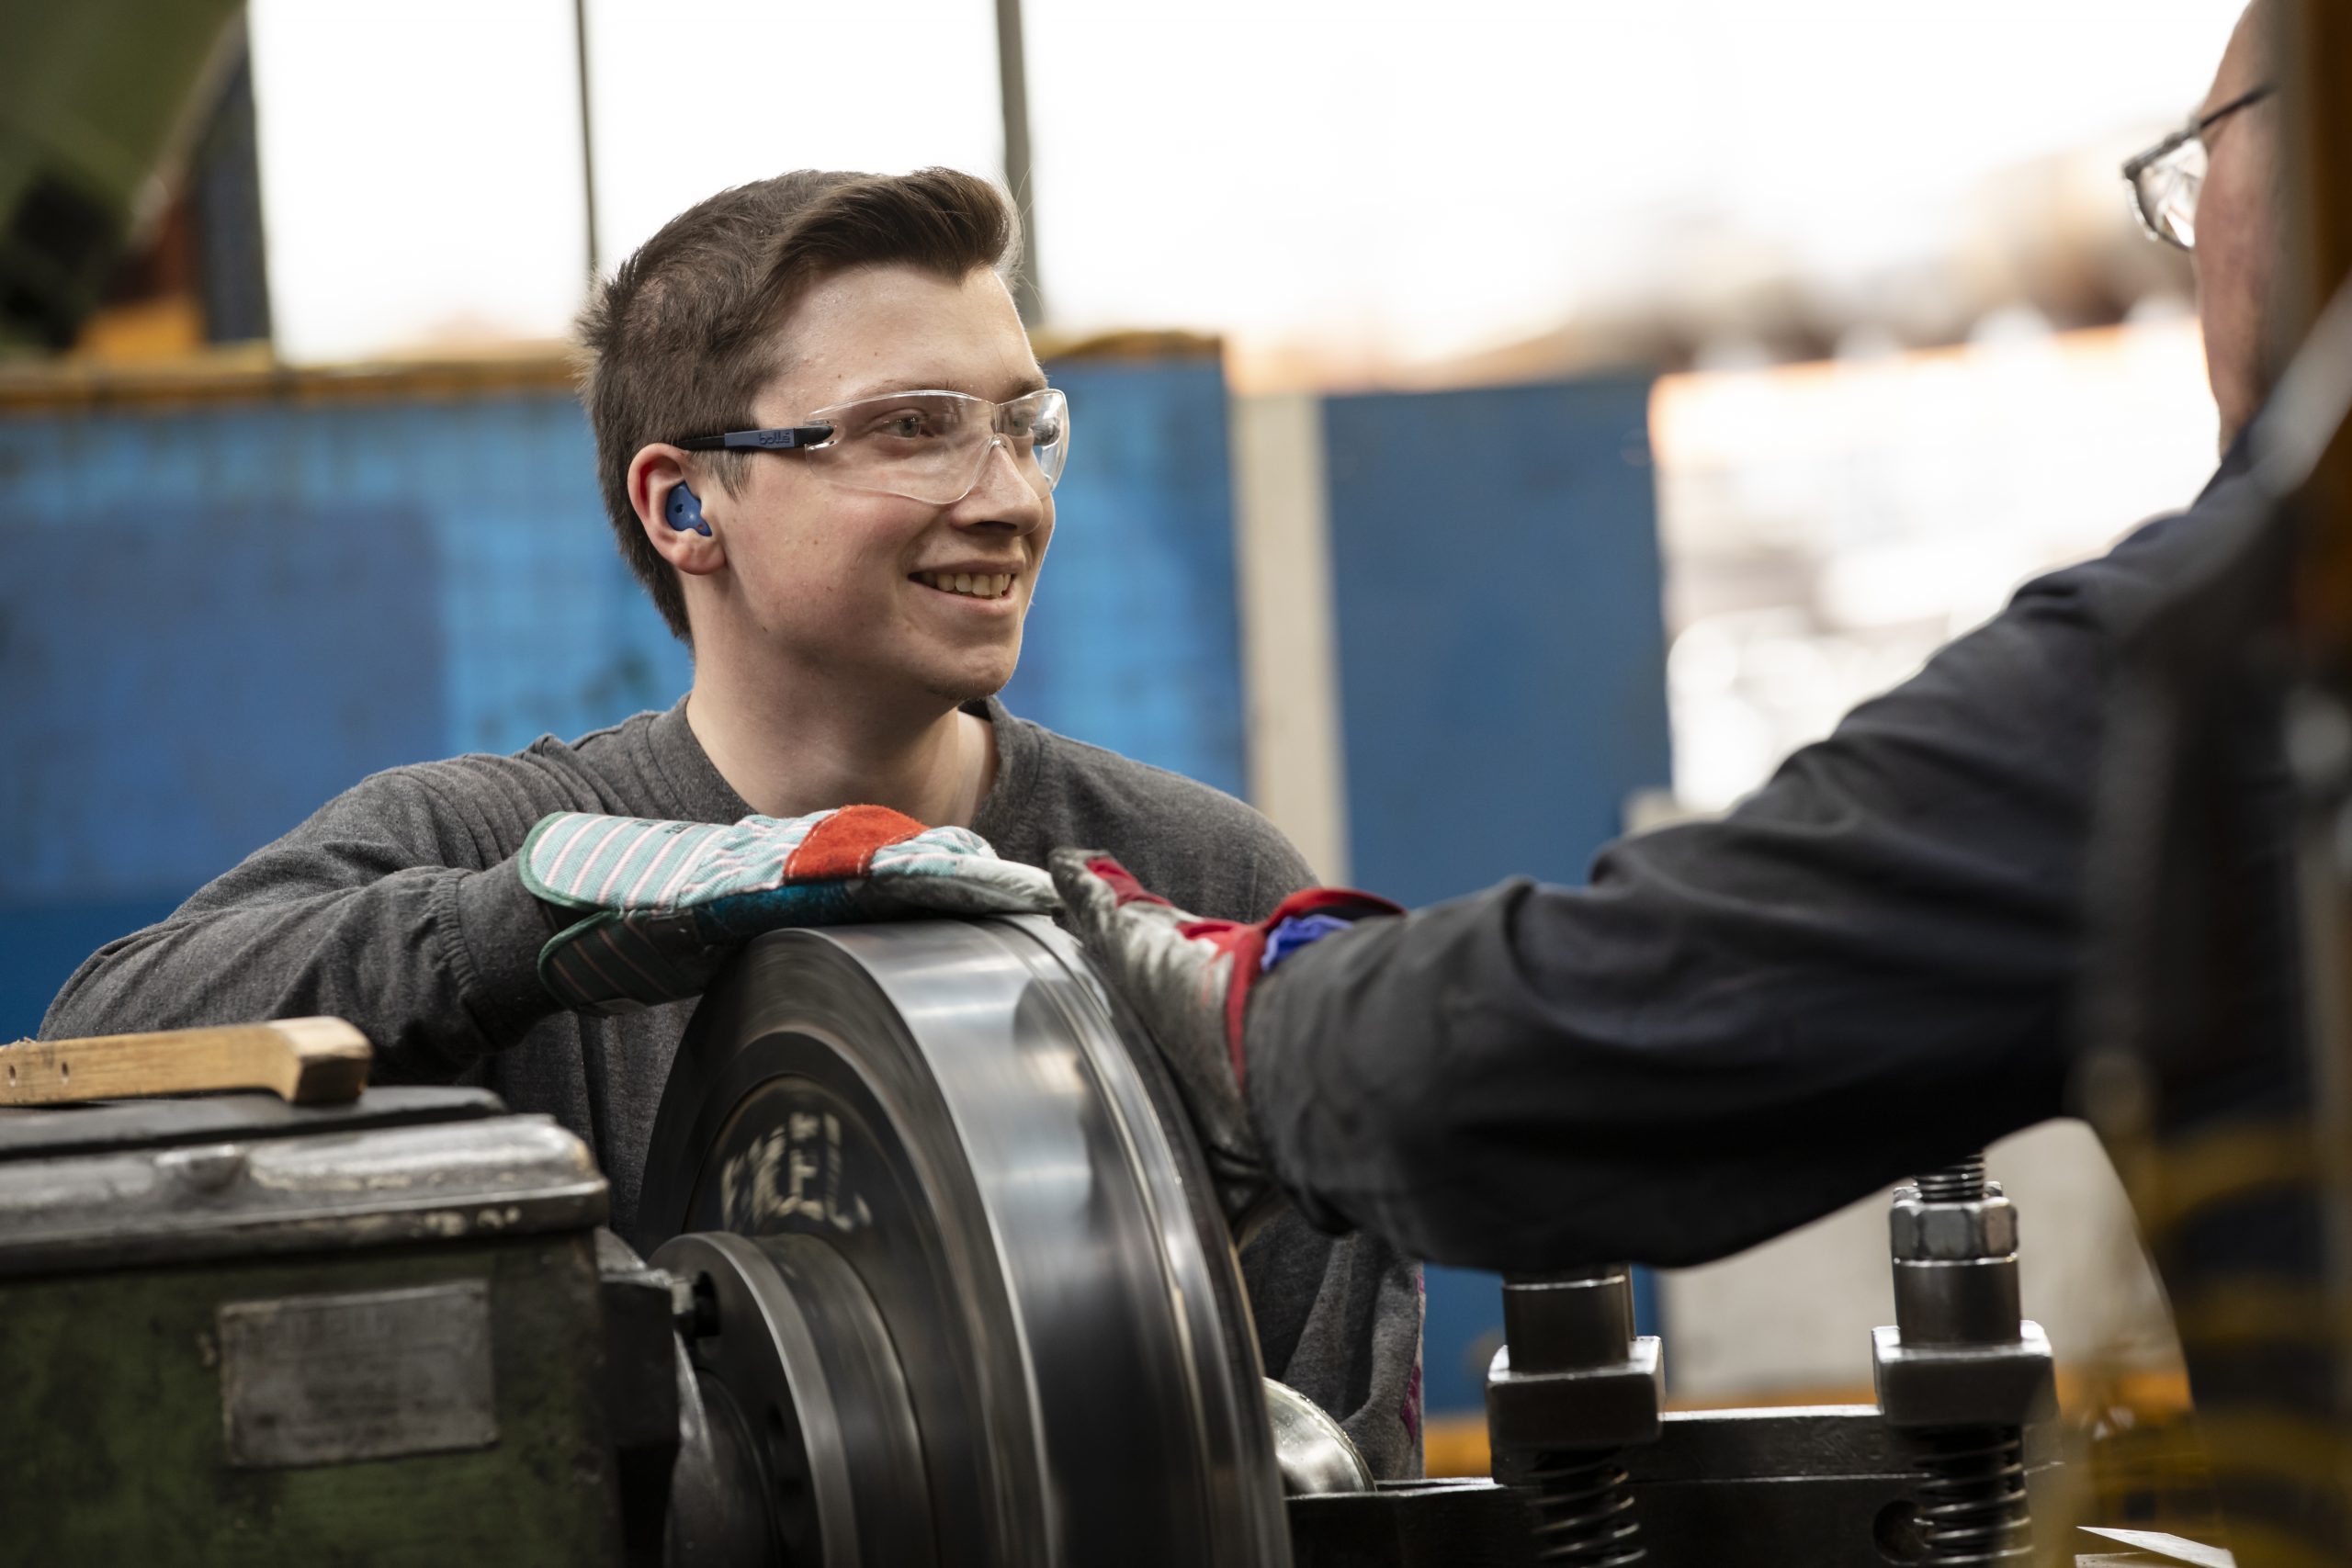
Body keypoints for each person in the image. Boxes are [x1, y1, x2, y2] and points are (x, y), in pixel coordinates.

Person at [40, 169, 1422, 1475]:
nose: (1007, 496)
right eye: (913, 427)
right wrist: (537, 925)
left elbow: (1338, 1469)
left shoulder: (1204, 876)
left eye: (1022, 423)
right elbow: (99, 1038)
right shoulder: (487, 844)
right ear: (686, 502)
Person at [1050, 1, 2294, 1275]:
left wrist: (1229, 1016)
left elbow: (1614, 1020)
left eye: (2199, 181)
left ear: (2314, 155)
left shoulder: (2244, 660)